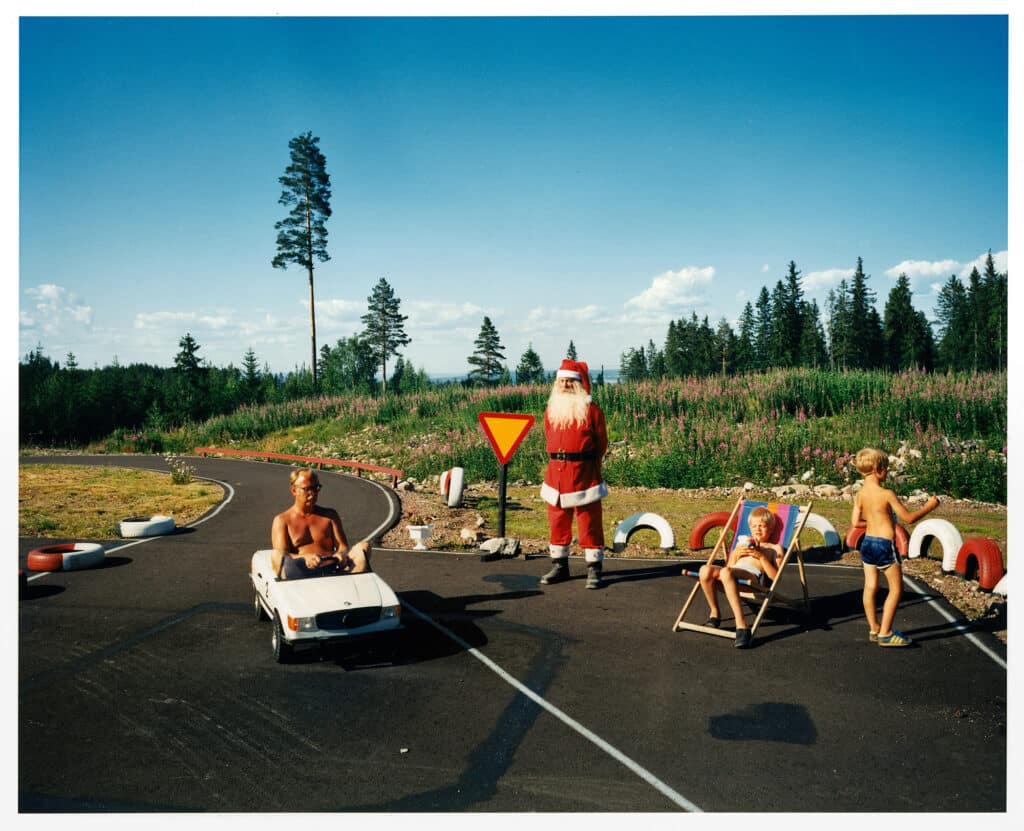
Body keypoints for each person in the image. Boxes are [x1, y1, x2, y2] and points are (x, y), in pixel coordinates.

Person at [851, 448, 939, 647]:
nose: (887, 472)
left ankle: (874, 628)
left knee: (870, 586)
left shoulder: (860, 494)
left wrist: (877, 522)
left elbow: (856, 523)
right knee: (896, 589)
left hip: (867, 543)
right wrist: (930, 506)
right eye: (885, 468)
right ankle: (886, 633)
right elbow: (908, 518)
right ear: (876, 469)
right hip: (884, 545)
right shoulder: (886, 493)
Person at [539, 358, 609, 589]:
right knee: (557, 520)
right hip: (555, 475)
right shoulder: (551, 410)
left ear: (579, 384)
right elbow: (548, 435)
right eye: (562, 380)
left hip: (584, 473)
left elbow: (601, 443)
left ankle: (593, 569)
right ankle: (560, 566)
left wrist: (588, 465)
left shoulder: (592, 411)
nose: (566, 384)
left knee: (589, 520)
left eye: (570, 380)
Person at [698, 506, 785, 648]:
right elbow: (729, 566)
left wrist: (761, 556)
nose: (758, 529)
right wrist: (736, 554)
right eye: (754, 526)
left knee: (726, 572)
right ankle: (715, 612)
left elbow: (776, 577)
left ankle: (742, 625)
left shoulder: (774, 548)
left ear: (771, 529)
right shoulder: (742, 543)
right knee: (704, 570)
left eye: (762, 526)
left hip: (752, 578)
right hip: (731, 574)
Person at [270, 468, 371, 579]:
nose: (312, 494)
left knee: (364, 547)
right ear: (294, 490)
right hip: (300, 572)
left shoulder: (330, 516)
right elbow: (282, 554)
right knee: (276, 555)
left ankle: (355, 586)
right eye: (307, 489)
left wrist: (341, 554)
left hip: (332, 568)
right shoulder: (282, 520)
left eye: (316, 488)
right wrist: (304, 557)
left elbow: (343, 546)